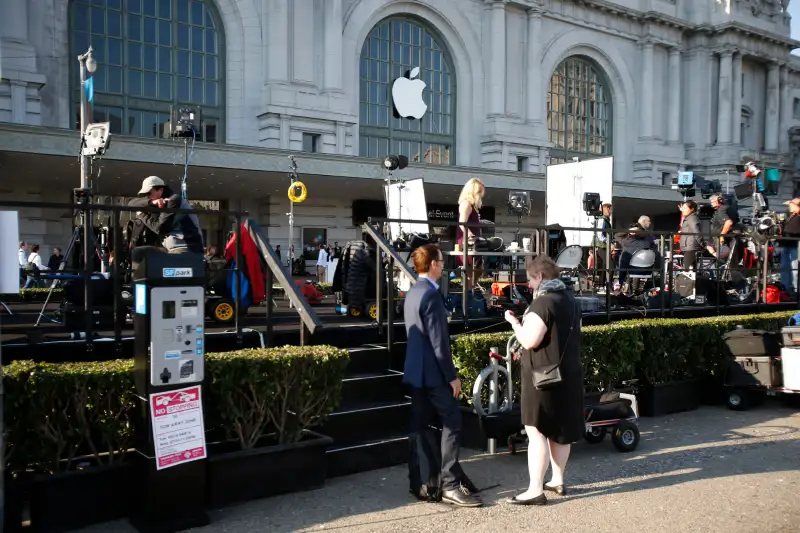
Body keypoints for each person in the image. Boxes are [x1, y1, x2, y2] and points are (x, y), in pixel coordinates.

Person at [403, 243, 481, 508]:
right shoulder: (431, 296)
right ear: (433, 264)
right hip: (434, 373)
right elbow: (439, 342)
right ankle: (449, 483)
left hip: (415, 372)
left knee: (421, 426)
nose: (444, 266)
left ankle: (424, 481)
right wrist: (452, 376)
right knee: (453, 422)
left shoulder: (412, 292)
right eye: (442, 262)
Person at [503, 255, 583, 506]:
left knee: (535, 429)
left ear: (540, 277)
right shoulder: (570, 299)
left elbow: (529, 341)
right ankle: (557, 479)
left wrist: (514, 323)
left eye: (530, 279)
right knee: (559, 430)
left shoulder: (542, 304)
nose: (529, 285)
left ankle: (535, 489)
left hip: (542, 378)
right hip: (568, 373)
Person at [129, 176, 204, 254]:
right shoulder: (157, 202)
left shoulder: (173, 200)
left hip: (186, 246)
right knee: (138, 252)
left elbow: (160, 229)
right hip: (170, 246)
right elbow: (130, 203)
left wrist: (141, 215)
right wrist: (151, 202)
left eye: (149, 193)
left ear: (161, 190)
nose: (147, 196)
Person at [457, 178, 485, 291]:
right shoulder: (466, 204)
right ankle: (468, 295)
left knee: (478, 269)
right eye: (479, 193)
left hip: (473, 243)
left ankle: (470, 290)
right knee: (470, 272)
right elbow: (462, 223)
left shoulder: (472, 206)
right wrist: (471, 235)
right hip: (468, 243)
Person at [779, 198, 800, 293]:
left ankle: (796, 291)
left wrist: (791, 202)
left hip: (795, 244)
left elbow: (797, 209)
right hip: (785, 243)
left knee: (794, 268)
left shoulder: (798, 214)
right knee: (784, 267)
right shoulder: (789, 215)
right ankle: (785, 288)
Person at [590, 203, 613, 289]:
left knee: (605, 265)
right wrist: (609, 242)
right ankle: (608, 286)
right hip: (601, 246)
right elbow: (600, 235)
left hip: (603, 246)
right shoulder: (602, 220)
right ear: (606, 209)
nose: (611, 211)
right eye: (610, 209)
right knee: (611, 265)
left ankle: (602, 286)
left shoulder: (605, 220)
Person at [678, 201, 703, 271]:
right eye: (683, 208)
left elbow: (696, 231)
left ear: (692, 209)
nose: (683, 210)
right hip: (689, 246)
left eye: (685, 208)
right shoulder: (689, 217)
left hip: (691, 247)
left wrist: (703, 244)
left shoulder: (692, 218)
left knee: (689, 271)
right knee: (689, 270)